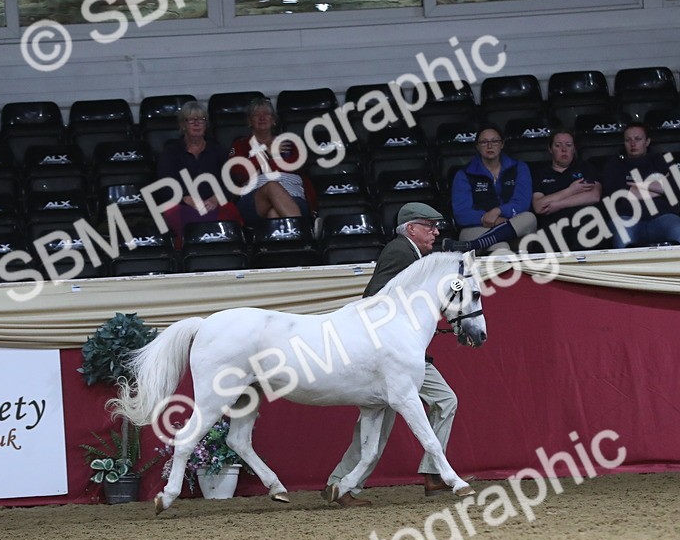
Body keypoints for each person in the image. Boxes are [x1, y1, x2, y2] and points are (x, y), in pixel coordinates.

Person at [323, 202, 472, 508]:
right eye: (429, 226)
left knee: (439, 402)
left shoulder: (414, 255)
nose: (436, 231)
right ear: (411, 228)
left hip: (403, 354)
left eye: (436, 226)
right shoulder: (400, 252)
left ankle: (430, 474)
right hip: (389, 355)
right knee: (385, 418)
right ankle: (343, 483)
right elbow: (375, 299)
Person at [154, 100, 241, 245]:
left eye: (201, 119)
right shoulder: (171, 152)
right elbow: (164, 185)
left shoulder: (218, 150)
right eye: (191, 120)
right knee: (187, 222)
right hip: (181, 204)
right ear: (182, 125)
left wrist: (215, 198)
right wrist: (186, 199)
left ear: (206, 125)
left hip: (214, 203)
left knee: (229, 215)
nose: (196, 123)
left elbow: (230, 181)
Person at [446, 125, 538, 254]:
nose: (490, 146)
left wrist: (498, 211)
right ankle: (482, 242)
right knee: (502, 250)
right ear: (477, 146)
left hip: (514, 226)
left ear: (502, 144)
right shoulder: (464, 174)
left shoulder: (519, 168)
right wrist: (489, 219)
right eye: (484, 142)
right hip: (476, 228)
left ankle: (472, 245)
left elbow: (522, 203)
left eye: (494, 141)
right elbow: (462, 214)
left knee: (529, 217)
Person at [227, 97, 315, 227]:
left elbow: (296, 166)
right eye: (257, 115)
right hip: (254, 199)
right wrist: (267, 153)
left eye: (266, 114)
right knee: (271, 186)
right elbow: (238, 173)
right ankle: (302, 230)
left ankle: (287, 243)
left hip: (293, 196)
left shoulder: (290, 143)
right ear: (250, 121)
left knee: (274, 213)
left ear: (273, 120)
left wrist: (259, 166)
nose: (262, 118)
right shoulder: (240, 145)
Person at [601, 122, 680, 248]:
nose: (633, 144)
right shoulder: (614, 164)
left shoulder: (662, 160)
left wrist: (639, 185)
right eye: (628, 140)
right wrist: (660, 188)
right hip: (627, 218)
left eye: (638, 139)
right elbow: (620, 194)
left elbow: (679, 189)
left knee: (679, 231)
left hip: (662, 217)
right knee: (623, 235)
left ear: (647, 141)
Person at [529, 129, 603, 249]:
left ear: (574, 149)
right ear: (550, 149)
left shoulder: (585, 167)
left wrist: (558, 204)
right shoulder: (540, 173)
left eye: (568, 145)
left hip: (583, 221)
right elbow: (539, 206)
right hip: (552, 225)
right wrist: (571, 190)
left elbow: (594, 196)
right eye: (558, 145)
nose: (564, 150)